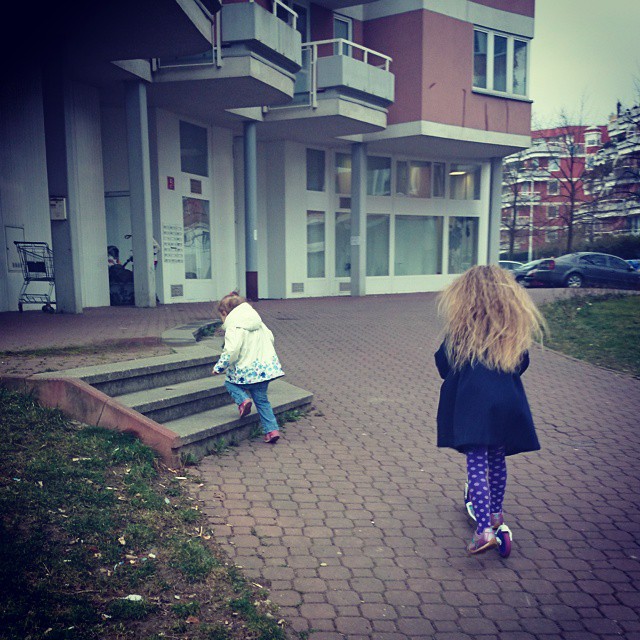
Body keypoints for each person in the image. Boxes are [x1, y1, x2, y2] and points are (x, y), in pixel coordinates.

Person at [434, 264, 546, 555]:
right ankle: (496, 514)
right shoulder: (511, 334)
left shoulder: (461, 334)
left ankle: (483, 530)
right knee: (497, 459)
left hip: (474, 407)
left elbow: (444, 365)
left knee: (476, 463)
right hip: (505, 404)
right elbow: (521, 364)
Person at [212, 292, 284, 444]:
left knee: (230, 383)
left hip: (245, 370)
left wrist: (220, 366)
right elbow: (270, 337)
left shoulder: (234, 327)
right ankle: (272, 430)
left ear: (225, 313)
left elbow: (232, 350)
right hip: (263, 371)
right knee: (262, 401)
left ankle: (243, 401)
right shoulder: (258, 322)